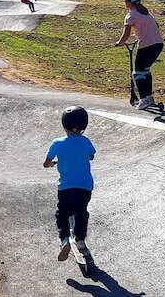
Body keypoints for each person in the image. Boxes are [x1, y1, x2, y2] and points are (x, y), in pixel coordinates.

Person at [43, 106, 96, 261]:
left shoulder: (57, 143)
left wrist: (52, 163)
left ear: (64, 124)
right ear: (84, 125)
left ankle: (65, 238)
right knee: (82, 213)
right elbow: (91, 155)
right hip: (85, 187)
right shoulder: (85, 141)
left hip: (65, 188)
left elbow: (46, 163)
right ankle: (80, 240)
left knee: (62, 213)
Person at [114, 0, 165, 110]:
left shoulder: (131, 16)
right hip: (158, 44)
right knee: (145, 70)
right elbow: (156, 25)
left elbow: (126, 34)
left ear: (129, 2)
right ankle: (148, 97)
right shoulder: (146, 12)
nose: (125, 3)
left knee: (137, 72)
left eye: (125, 1)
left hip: (147, 46)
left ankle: (144, 99)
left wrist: (119, 43)